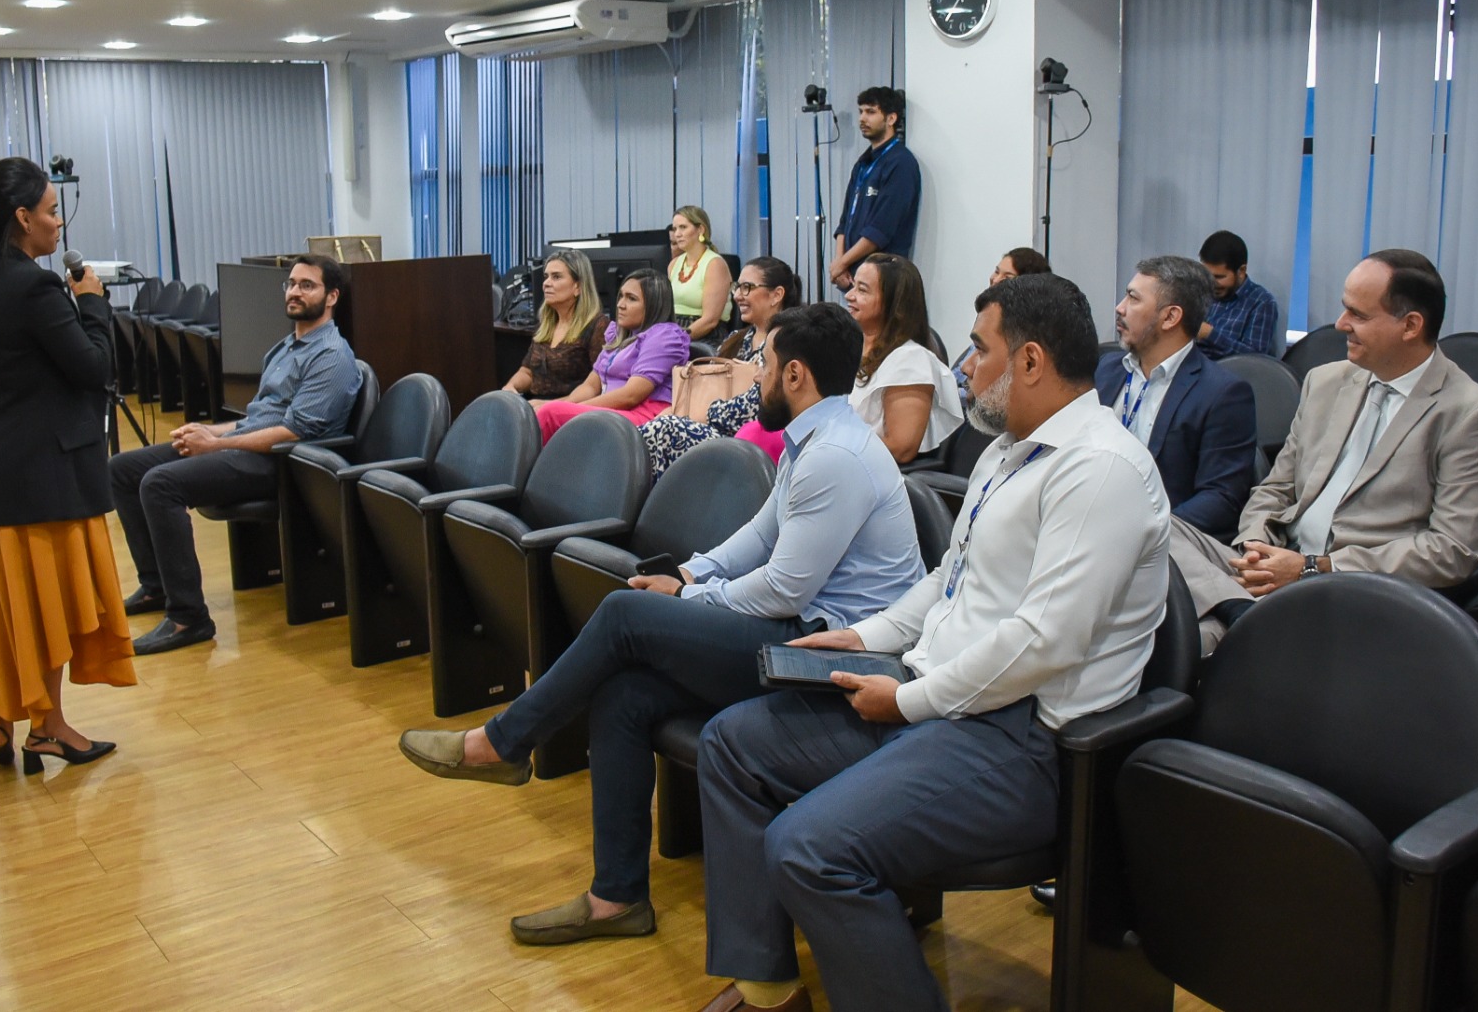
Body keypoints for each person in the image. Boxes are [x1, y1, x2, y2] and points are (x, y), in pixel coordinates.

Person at [690, 273, 1171, 1012]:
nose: (965, 368)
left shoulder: (1099, 468)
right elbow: (950, 579)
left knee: (808, 847)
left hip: (1023, 742)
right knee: (731, 743)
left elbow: (1044, 642)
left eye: (979, 350)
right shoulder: (1010, 450)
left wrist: (908, 700)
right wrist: (859, 637)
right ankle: (767, 987)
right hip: (940, 695)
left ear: (1031, 361)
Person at [398, 304, 924, 948]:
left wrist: (689, 602)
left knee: (624, 615)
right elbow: (757, 538)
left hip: (834, 661)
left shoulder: (835, 456)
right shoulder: (813, 441)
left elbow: (784, 586)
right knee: (624, 696)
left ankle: (503, 742)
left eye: (761, 365)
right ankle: (614, 899)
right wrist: (686, 573)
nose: (753, 376)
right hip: (798, 632)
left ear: (795, 374)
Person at [1171, 250, 1478, 653]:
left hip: (1356, 590)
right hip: (1278, 565)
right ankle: (1240, 609)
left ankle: (1235, 619)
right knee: (1155, 525)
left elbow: (1452, 550)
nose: (1341, 324)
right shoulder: (1326, 382)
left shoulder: (1471, 414)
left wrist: (1313, 569)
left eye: (1358, 315)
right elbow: (1275, 487)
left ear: (1411, 325)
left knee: (1184, 639)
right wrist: (1254, 546)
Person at [0, 156, 137, 774]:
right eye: (52, 212)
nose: (58, 225)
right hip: (40, 477)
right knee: (47, 604)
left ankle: (1, 717)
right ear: (22, 218)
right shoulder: (37, 285)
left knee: (10, 604)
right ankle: (47, 727)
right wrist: (94, 305)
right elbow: (92, 368)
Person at [109, 255, 362, 656]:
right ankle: (157, 587)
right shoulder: (286, 346)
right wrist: (212, 430)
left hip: (282, 463)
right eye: (291, 284)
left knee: (160, 484)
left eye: (307, 285)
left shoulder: (331, 356)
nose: (295, 291)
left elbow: (295, 431)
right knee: (123, 470)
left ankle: (188, 617)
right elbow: (257, 416)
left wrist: (215, 444)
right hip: (249, 445)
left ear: (331, 297)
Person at [1098, 255, 1257, 540]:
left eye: (1133, 299)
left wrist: (1145, 535)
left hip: (1161, 545)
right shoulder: (1106, 370)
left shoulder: (1222, 393)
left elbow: (1221, 498)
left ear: (1170, 317)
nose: (1120, 308)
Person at [641, 257, 802, 482]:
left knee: (664, 431)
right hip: (714, 429)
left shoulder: (787, 344)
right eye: (737, 287)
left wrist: (698, 412)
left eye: (747, 288)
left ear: (776, 295)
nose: (737, 296)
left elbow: (753, 409)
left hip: (745, 438)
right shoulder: (735, 340)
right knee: (650, 431)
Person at [534, 268, 691, 443]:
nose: (620, 304)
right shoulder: (619, 335)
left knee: (550, 414)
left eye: (631, 299)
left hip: (643, 416)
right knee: (535, 409)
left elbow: (631, 396)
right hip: (614, 412)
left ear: (654, 305)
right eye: (621, 296)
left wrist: (565, 410)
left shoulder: (664, 336)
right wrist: (562, 405)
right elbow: (590, 387)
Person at [844, 253, 961, 464]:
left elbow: (901, 448)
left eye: (862, 290)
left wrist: (834, 451)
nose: (849, 296)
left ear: (894, 303)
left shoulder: (911, 360)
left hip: (871, 479)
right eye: (853, 286)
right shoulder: (850, 346)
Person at [830, 87, 921, 292]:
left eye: (871, 112)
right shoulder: (863, 163)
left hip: (884, 276)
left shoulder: (901, 163)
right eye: (861, 111)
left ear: (891, 118)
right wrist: (840, 263)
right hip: (852, 275)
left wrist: (842, 264)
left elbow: (881, 230)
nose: (862, 118)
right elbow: (845, 221)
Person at [502, 249, 611, 402]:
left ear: (578, 287)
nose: (546, 283)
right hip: (535, 406)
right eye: (546, 277)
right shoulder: (547, 325)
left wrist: (548, 407)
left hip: (571, 412)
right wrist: (511, 388)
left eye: (556, 277)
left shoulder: (598, 326)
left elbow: (598, 386)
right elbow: (528, 372)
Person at [953, 247, 1051, 406]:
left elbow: (979, 393)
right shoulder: (986, 325)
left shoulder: (1020, 336)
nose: (996, 280)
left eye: (1007, 277)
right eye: (997, 272)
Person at [1196, 229, 1280, 360]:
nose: (1211, 283)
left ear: (1241, 271)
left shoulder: (1261, 302)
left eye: (1219, 277)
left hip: (1227, 376)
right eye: (1206, 274)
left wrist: (1210, 335)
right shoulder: (1198, 291)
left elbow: (1256, 359)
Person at [669, 206, 732, 344]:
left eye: (683, 227)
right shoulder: (674, 264)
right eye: (675, 229)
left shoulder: (715, 264)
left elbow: (710, 320)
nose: (677, 234)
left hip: (706, 336)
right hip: (675, 331)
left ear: (700, 230)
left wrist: (679, 339)